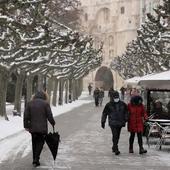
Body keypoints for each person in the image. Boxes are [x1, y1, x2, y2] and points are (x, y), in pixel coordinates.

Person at [23, 90, 55, 167]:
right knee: (40, 143)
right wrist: (53, 122)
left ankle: (35, 159)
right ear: (44, 96)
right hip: (42, 128)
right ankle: (36, 159)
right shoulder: (45, 104)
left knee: (34, 143)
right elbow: (49, 115)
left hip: (32, 128)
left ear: (34, 96)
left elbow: (26, 116)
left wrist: (26, 126)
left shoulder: (29, 103)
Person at [101, 91, 128, 155]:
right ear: (112, 98)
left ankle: (114, 146)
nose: (116, 98)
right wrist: (103, 121)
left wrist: (126, 118)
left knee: (117, 136)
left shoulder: (123, 104)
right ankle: (116, 148)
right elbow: (104, 113)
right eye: (115, 97)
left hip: (120, 122)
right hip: (112, 122)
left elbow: (126, 112)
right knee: (115, 135)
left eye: (117, 97)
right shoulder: (109, 105)